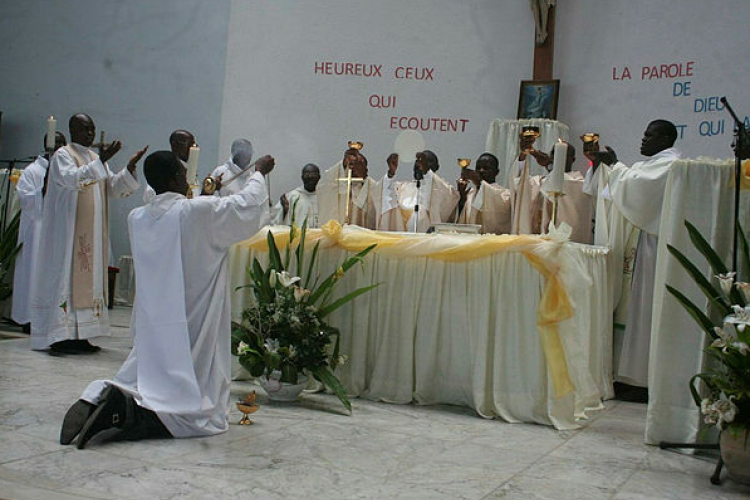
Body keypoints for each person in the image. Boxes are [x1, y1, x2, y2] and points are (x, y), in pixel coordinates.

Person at [60, 150, 275, 448]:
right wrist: (259, 174)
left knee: (147, 371)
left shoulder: (139, 218)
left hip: (158, 316)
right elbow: (246, 207)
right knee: (195, 402)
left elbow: (192, 215)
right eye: (183, 175)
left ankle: (97, 396)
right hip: (195, 311)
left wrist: (208, 194)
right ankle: (132, 414)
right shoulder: (194, 212)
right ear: (176, 178)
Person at [29, 113, 146, 354]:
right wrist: (100, 161)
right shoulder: (63, 155)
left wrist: (129, 170)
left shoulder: (94, 157)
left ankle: (83, 334)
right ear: (73, 130)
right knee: (68, 279)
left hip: (91, 234)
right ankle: (62, 335)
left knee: (89, 282)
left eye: (92, 129)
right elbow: (74, 179)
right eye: (85, 129)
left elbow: (110, 186)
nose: (90, 133)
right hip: (69, 234)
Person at [594, 119, 681, 399]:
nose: (643, 139)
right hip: (638, 247)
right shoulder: (650, 164)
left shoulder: (671, 164)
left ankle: (643, 379)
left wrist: (616, 165)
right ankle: (626, 373)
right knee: (632, 310)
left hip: (653, 249)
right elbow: (617, 191)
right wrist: (605, 167)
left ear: (667, 138)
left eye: (649, 135)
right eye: (644, 133)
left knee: (644, 310)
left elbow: (637, 187)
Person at [11, 132, 67, 332]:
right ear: (47, 145)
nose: (60, 147)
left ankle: (52, 317)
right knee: (34, 271)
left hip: (58, 230)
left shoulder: (66, 170)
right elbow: (25, 200)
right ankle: (29, 317)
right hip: (38, 229)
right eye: (56, 143)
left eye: (63, 143)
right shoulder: (33, 171)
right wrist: (41, 192)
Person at [529, 141, 594, 244]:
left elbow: (562, 183)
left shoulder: (580, 184)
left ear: (573, 160)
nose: (556, 158)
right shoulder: (540, 181)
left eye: (563, 154)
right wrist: (523, 155)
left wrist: (550, 168)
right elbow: (520, 186)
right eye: (553, 154)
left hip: (567, 245)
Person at [384, 150, 459, 232]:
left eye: (426, 162)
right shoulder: (402, 187)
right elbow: (386, 198)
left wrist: (427, 173)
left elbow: (447, 204)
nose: (420, 165)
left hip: (427, 241)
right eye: (418, 161)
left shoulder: (442, 188)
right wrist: (390, 174)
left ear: (437, 167)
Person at [318, 148, 380, 229]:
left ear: (365, 168)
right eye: (351, 164)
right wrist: (343, 163)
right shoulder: (337, 181)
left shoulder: (370, 187)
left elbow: (377, 204)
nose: (354, 167)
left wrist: (363, 177)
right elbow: (326, 183)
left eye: (359, 165)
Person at [456, 153, 512, 234]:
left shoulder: (505, 194)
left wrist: (479, 183)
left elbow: (498, 218)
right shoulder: (470, 192)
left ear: (496, 172)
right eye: (478, 168)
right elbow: (462, 220)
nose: (481, 171)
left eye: (486, 168)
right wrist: (461, 197)